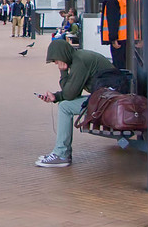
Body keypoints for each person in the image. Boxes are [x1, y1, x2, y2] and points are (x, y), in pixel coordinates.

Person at [35, 39, 119, 167]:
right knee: (64, 104)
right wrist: (56, 96)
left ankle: (62, 154)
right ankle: (62, 152)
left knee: (64, 107)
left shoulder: (79, 62)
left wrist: (63, 72)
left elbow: (70, 94)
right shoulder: (79, 57)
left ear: (62, 54)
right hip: (108, 98)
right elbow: (72, 92)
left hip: (109, 102)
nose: (56, 63)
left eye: (56, 60)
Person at [100, 0, 127, 69]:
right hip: (127, 37)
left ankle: (120, 84)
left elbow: (113, 20)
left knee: (119, 66)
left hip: (119, 40)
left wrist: (113, 38)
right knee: (126, 65)